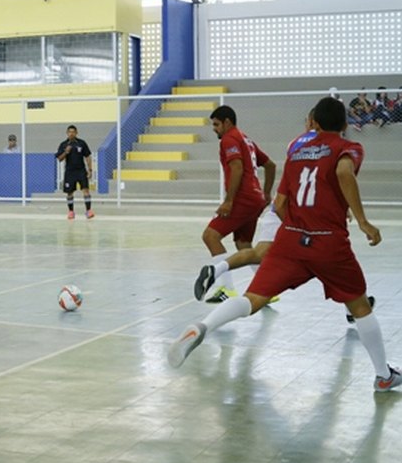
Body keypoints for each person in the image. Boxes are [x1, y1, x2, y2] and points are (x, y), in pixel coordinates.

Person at [168, 96, 402, 393]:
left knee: (253, 299)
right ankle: (384, 375)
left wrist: (300, 220)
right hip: (329, 243)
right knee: (359, 305)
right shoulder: (349, 147)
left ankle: (202, 327)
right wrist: (362, 220)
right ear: (345, 124)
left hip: (291, 238)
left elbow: (279, 205)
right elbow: (343, 173)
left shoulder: (298, 150)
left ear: (314, 122)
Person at [194, 110, 374, 322]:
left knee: (241, 245)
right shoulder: (330, 146)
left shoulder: (298, 143)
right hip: (290, 211)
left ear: (313, 122)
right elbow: (327, 177)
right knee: (258, 249)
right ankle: (231, 279)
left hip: (288, 211)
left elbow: (247, 169)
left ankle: (222, 279)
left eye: (307, 120)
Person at [198, 105, 275, 303]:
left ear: (227, 122)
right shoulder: (245, 138)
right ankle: (267, 290)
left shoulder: (229, 139)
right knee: (244, 244)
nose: (214, 129)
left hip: (243, 198)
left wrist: (229, 201)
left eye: (216, 124)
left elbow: (237, 167)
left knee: (210, 236)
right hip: (255, 199)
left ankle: (225, 287)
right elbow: (270, 165)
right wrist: (266, 192)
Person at [56, 125, 94, 220]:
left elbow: (87, 156)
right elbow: (59, 159)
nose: (71, 133)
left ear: (76, 133)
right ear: (67, 133)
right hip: (69, 172)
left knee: (85, 190)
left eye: (73, 132)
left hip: (81, 170)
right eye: (69, 132)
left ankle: (88, 211)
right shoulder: (63, 144)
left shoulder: (81, 143)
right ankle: (71, 212)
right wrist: (66, 152)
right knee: (70, 193)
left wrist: (89, 170)